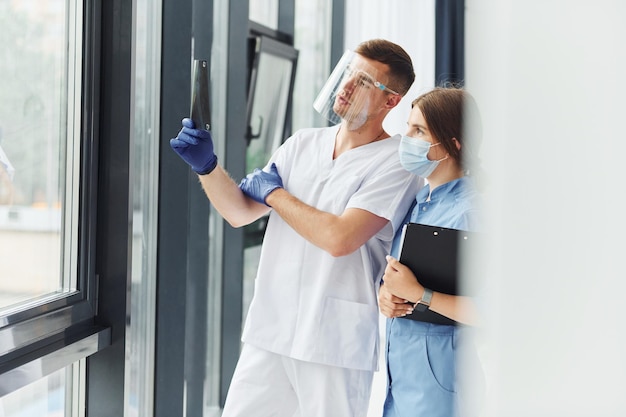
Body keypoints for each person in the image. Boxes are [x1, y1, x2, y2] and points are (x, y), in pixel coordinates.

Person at [170, 39, 422, 417]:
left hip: (332, 343)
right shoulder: (302, 143)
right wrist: (207, 167)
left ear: (391, 101)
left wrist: (275, 196)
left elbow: (339, 238)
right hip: (271, 329)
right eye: (347, 74)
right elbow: (240, 212)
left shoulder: (396, 163)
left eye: (364, 82)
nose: (347, 87)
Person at [377, 86, 486, 417]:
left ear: (454, 143)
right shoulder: (418, 203)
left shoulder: (471, 212)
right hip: (403, 383)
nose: (405, 138)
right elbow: (400, 279)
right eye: (408, 126)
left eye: (418, 130)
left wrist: (419, 294)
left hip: (441, 389)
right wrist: (387, 296)